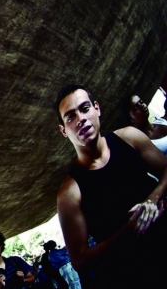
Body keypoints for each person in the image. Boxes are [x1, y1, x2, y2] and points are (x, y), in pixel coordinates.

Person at [55, 84, 167, 288]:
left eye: (85, 108)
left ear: (97, 108)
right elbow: (79, 260)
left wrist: (153, 198)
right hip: (135, 276)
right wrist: (129, 230)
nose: (80, 119)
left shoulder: (129, 137)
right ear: (63, 130)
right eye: (70, 117)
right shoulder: (69, 192)